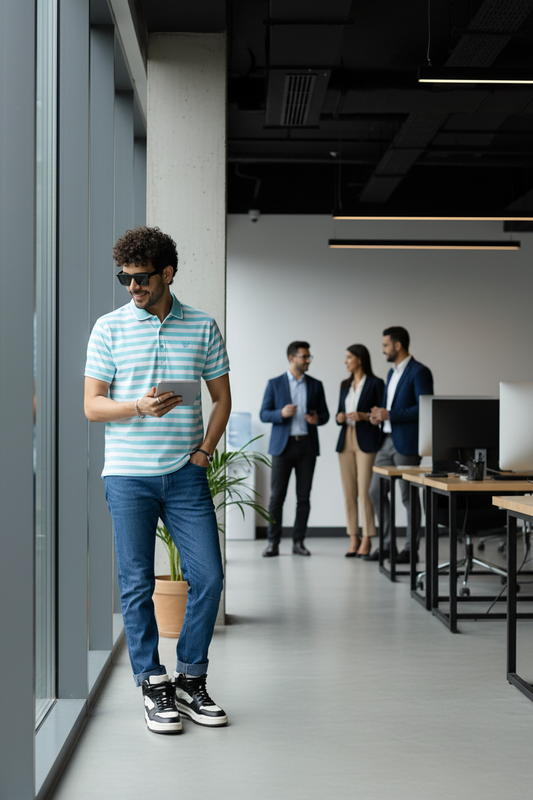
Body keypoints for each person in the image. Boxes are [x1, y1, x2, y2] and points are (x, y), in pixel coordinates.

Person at [84, 226, 231, 735]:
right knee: (135, 585)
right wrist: (137, 407)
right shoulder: (108, 328)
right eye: (124, 278)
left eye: (141, 278)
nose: (131, 287)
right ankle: (152, 683)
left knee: (208, 577)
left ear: (167, 273)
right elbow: (92, 405)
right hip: (128, 477)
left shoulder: (203, 326)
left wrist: (204, 453)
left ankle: (191, 677)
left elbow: (222, 399)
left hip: (184, 476)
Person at [365, 326, 433, 564]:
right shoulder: (391, 373)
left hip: (407, 444)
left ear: (398, 345)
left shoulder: (420, 372)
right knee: (375, 491)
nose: (382, 349)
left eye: (385, 345)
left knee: (408, 498)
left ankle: (410, 550)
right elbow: (388, 407)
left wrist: (390, 415)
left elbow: (424, 407)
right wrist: (378, 415)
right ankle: (386, 546)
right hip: (386, 441)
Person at [260, 341, 329, 556]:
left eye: (309, 357)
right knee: (277, 497)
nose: (308, 360)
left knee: (303, 498)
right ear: (292, 358)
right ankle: (273, 542)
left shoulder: (316, 385)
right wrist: (281, 413)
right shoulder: (275, 383)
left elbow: (325, 415)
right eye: (304, 357)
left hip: (307, 447)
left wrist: (317, 419)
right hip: (283, 447)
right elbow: (264, 413)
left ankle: (299, 542)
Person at [336, 345, 384, 558]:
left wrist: (364, 416)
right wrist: (340, 417)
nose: (346, 361)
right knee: (349, 493)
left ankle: (367, 538)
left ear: (360, 359)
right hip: (346, 438)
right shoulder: (345, 384)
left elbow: (380, 414)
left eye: (349, 357)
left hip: (367, 439)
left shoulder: (376, 384)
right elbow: (340, 410)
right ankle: (353, 537)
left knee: (365, 492)